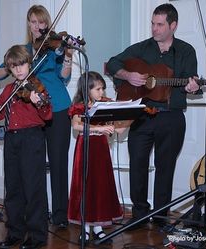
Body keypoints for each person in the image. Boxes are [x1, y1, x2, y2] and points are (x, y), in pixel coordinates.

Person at [106, 3, 200, 226]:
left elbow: (191, 80)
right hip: (142, 114)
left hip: (171, 116)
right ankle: (139, 215)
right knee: (138, 163)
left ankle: (160, 216)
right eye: (153, 23)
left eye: (160, 24)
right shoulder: (142, 48)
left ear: (173, 25)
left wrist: (192, 86)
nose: (154, 29)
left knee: (165, 167)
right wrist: (128, 75)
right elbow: (112, 63)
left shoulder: (186, 51)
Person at [0, 5, 73, 228]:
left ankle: (60, 216)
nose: (37, 27)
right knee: (31, 168)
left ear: (47, 24)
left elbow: (64, 77)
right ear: (28, 23)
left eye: (42, 22)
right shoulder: (24, 51)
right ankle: (35, 215)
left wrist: (67, 56)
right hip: (31, 114)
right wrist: (12, 66)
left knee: (58, 163)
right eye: (33, 22)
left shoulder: (54, 47)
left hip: (57, 108)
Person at [0, 45, 52, 249]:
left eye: (22, 64)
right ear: (10, 69)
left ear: (29, 64)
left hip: (32, 139)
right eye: (14, 67)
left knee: (33, 189)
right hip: (11, 139)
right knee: (13, 189)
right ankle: (15, 232)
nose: (19, 70)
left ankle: (37, 237)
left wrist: (38, 102)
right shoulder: (9, 89)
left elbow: (48, 115)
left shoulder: (36, 87)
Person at [68, 71, 125, 244]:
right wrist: (99, 129)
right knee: (85, 185)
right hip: (85, 147)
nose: (102, 93)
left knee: (100, 185)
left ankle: (98, 228)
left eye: (103, 89)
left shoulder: (105, 105)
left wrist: (129, 116)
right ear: (87, 90)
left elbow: (117, 128)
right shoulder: (79, 106)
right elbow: (77, 125)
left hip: (101, 148)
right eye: (98, 89)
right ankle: (85, 229)